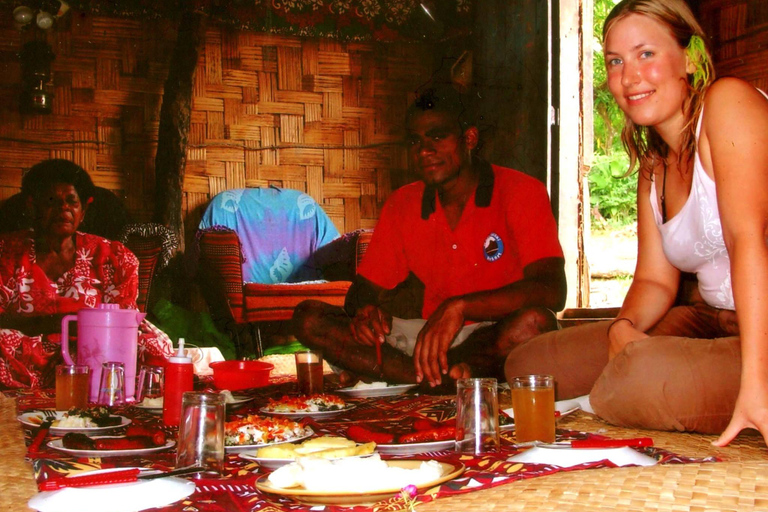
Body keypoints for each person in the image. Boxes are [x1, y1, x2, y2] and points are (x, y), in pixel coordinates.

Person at [504, 0, 768, 446]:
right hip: (711, 320)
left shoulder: (728, 104)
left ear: (690, 56)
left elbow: (750, 241)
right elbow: (654, 280)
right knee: (531, 367)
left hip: (760, 329)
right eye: (616, 61)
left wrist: (756, 382)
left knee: (644, 379)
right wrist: (622, 329)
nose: (629, 76)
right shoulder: (654, 165)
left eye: (646, 54)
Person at [293, 86, 566, 389]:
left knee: (535, 324)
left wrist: (460, 307)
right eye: (415, 141)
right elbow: (362, 292)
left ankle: (412, 378)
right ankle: (436, 378)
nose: (424, 151)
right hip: (422, 340)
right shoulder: (403, 203)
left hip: (489, 336)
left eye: (437, 136)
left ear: (469, 139)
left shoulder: (521, 192)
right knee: (309, 317)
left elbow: (552, 290)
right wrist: (366, 313)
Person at [0, 159, 173, 389]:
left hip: (93, 349)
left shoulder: (113, 256)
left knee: (154, 347)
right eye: (52, 201)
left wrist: (86, 330)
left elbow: (123, 322)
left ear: (83, 211)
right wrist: (54, 323)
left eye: (72, 201)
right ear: (33, 206)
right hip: (23, 349)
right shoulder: (6, 251)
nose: (64, 208)